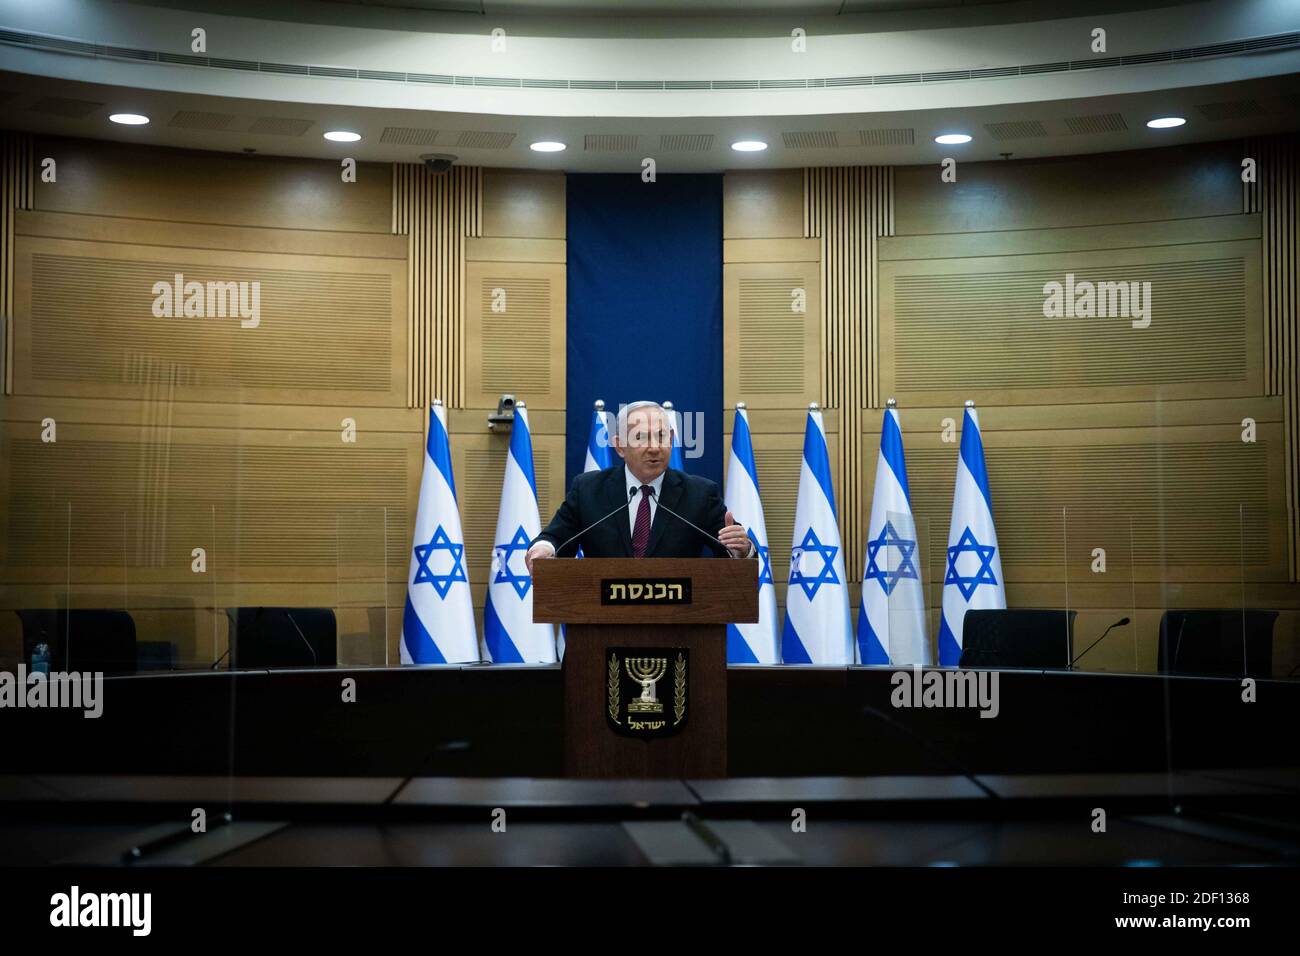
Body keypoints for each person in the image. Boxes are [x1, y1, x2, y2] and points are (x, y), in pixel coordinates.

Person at [525, 401, 755, 571]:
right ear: (620, 446)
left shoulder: (699, 494)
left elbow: (735, 554)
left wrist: (741, 551)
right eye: (641, 438)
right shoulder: (588, 490)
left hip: (679, 627)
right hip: (603, 627)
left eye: (661, 436)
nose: (654, 447)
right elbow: (555, 538)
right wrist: (543, 550)